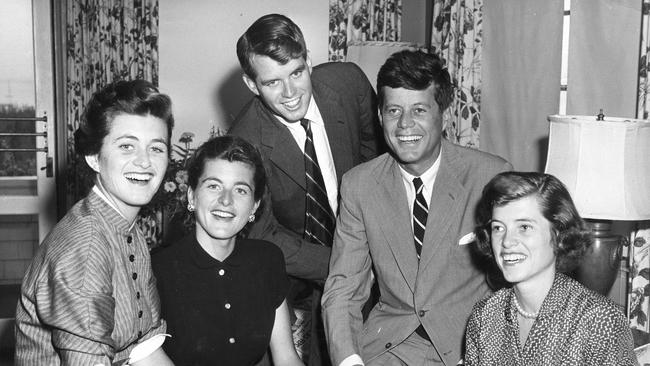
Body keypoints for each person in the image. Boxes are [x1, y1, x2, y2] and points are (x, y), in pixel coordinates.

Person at [321, 49, 512, 366]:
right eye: (393, 111)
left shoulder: (489, 176)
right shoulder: (359, 185)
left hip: (468, 348)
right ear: (380, 116)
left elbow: (512, 283)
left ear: (445, 116)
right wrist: (349, 361)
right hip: (388, 347)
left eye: (419, 110)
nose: (404, 124)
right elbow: (343, 287)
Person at [229, 13, 382, 365]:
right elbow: (264, 233)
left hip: (368, 243)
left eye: (297, 73)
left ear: (309, 60)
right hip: (301, 268)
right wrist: (344, 265)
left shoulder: (348, 84)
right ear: (252, 85)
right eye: (272, 82)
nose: (290, 93)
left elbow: (380, 162)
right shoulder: (244, 141)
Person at [14, 80, 174, 365]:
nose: (144, 162)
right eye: (127, 146)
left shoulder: (125, 226)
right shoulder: (85, 247)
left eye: (156, 148)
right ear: (94, 157)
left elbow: (142, 347)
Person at [152, 135, 303, 366]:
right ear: (192, 196)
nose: (225, 200)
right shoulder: (158, 270)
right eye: (214, 186)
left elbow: (286, 357)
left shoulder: (267, 259)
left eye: (240, 190)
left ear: (254, 205)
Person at [464, 172, 638, 365]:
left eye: (524, 227)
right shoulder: (485, 316)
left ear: (558, 233)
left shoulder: (599, 320)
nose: (506, 242)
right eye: (498, 228)